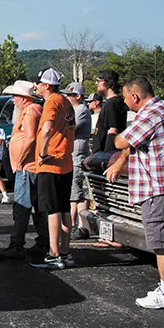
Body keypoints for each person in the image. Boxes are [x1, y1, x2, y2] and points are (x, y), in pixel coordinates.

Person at [106, 76, 164, 310]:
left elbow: (121, 142)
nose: (125, 103)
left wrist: (114, 135)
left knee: (162, 243)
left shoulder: (150, 114)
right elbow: (138, 143)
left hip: (159, 189)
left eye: (126, 99)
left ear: (135, 96)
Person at [0, 80, 51, 261]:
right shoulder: (31, 110)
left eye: (15, 96)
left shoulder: (31, 111)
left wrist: (19, 160)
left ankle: (17, 245)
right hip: (28, 167)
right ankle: (42, 243)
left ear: (23, 98)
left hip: (27, 168)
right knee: (34, 208)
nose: (12, 100)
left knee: (22, 207)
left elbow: (30, 137)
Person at [31, 68, 77, 271]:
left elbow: (48, 127)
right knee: (64, 208)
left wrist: (42, 152)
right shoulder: (66, 102)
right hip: (65, 162)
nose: (37, 86)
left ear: (46, 85)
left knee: (52, 209)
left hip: (51, 163)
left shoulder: (51, 101)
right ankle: (65, 252)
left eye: (39, 83)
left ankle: (53, 253)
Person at [65, 83, 93, 240]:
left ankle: (75, 226)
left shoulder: (81, 110)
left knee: (76, 194)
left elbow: (69, 129)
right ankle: (79, 226)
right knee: (76, 193)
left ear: (78, 96)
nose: (67, 97)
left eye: (70, 95)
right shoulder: (75, 110)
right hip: (73, 155)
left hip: (77, 156)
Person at [94, 69, 127, 155]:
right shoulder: (116, 101)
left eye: (98, 81)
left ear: (107, 83)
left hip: (106, 154)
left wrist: (107, 156)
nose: (96, 83)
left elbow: (113, 130)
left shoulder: (112, 103)